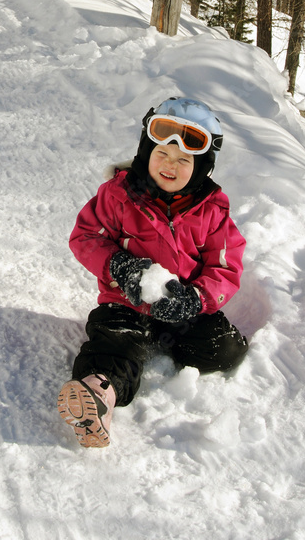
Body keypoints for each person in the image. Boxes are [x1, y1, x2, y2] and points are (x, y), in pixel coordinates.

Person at [58, 96, 248, 448]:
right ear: (146, 153)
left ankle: (180, 341)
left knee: (223, 349)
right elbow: (85, 236)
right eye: (162, 154)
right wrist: (121, 268)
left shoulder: (212, 211)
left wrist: (197, 298)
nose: (170, 165)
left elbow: (225, 264)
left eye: (183, 160)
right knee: (114, 344)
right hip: (125, 302)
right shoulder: (119, 195)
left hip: (181, 307)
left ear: (202, 167)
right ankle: (98, 396)